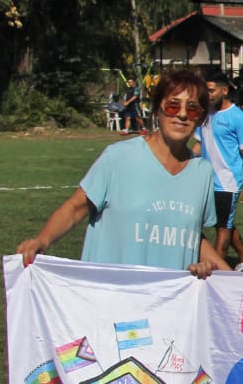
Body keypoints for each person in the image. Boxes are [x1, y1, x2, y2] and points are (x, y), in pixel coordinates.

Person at [16, 69, 226, 275]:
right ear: (157, 109)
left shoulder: (202, 172)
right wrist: (42, 240)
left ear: (201, 118)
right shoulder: (118, 157)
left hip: (166, 296)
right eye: (173, 105)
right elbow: (76, 207)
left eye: (192, 109)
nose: (182, 114)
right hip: (112, 292)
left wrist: (231, 278)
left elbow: (190, 236)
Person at [199, 69, 243, 270]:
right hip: (207, 180)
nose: (208, 95)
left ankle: (217, 271)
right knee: (222, 223)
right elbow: (199, 145)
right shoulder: (204, 115)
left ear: (224, 91)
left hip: (227, 182)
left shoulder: (238, 118)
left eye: (211, 90)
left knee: (223, 228)